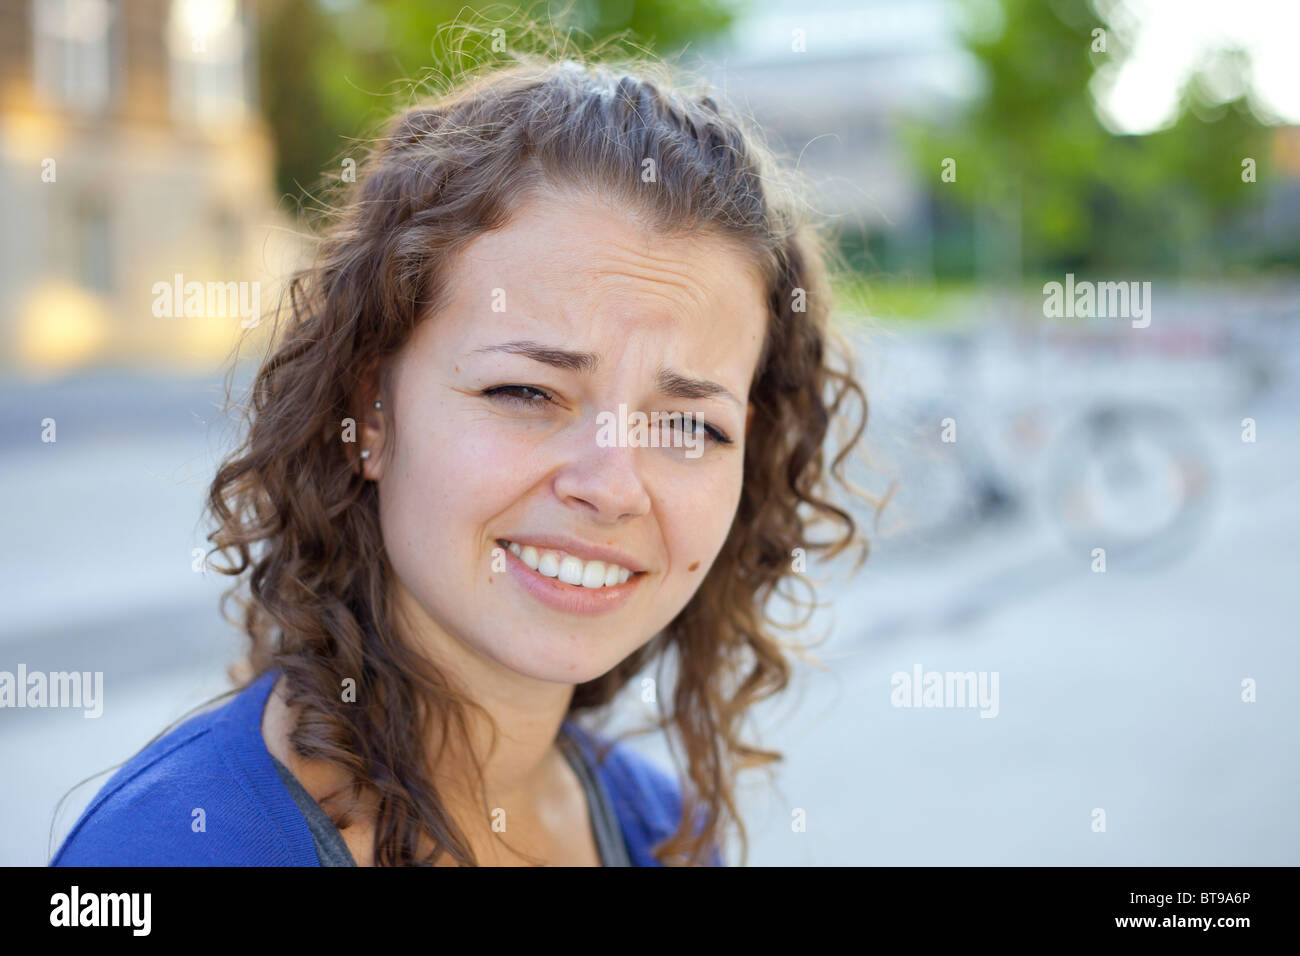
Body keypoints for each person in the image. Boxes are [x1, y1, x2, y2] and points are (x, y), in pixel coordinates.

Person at [52, 49, 870, 867]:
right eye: (525, 392)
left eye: (690, 428)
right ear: (369, 411)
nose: (613, 486)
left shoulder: (666, 835)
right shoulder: (172, 848)